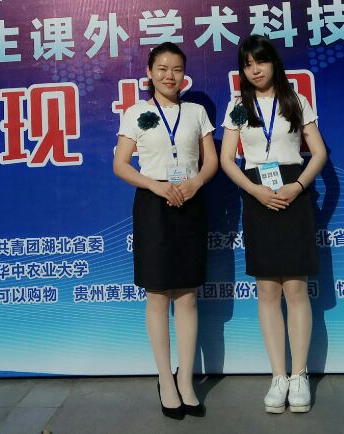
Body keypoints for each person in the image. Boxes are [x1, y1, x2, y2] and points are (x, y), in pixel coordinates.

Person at [219, 35, 327, 414]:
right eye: (247, 64)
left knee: (295, 287)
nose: (255, 70)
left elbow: (319, 152)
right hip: (258, 196)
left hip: (294, 193)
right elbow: (227, 159)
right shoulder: (238, 107)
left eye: (261, 62)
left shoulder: (295, 100)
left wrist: (298, 187)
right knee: (267, 289)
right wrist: (254, 190)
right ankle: (278, 375)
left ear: (274, 63)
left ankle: (300, 375)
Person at [113, 42, 217, 419]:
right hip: (154, 205)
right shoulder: (136, 113)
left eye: (176, 69)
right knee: (157, 294)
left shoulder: (196, 112)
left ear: (184, 74)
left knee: (187, 295)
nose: (169, 75)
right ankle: (165, 379)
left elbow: (211, 161)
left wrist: (195, 183)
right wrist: (155, 185)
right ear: (149, 73)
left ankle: (185, 379)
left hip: (189, 203)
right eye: (162, 68)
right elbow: (121, 165)